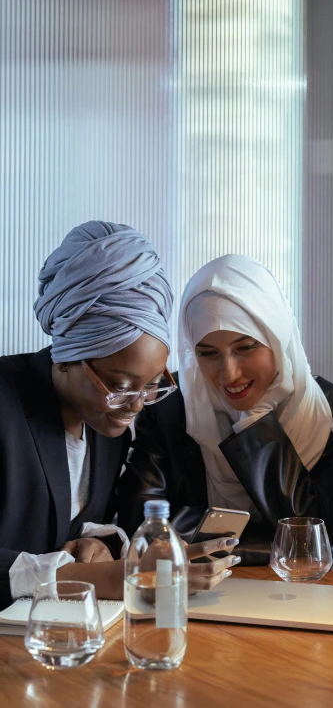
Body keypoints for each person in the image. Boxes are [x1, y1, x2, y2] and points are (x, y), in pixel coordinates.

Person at [0, 221, 236, 610]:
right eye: (121, 384)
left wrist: (97, 544)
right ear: (67, 358)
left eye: (150, 384)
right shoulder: (8, 403)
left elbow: (69, 527)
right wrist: (90, 577)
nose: (138, 404)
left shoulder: (106, 419)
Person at [119, 254, 333, 562]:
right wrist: (269, 544)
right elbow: (141, 530)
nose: (228, 374)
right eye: (208, 353)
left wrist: (256, 429)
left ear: (277, 338)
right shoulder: (170, 406)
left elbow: (326, 540)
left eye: (245, 348)